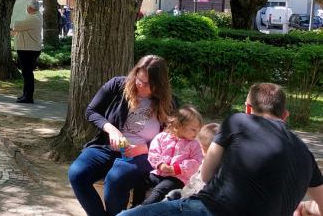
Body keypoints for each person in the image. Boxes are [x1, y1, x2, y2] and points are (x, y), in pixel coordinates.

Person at [120, 82, 323, 216]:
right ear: (285, 116)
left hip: (211, 209)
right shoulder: (306, 155)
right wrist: (305, 207)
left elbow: (207, 175)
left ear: (248, 108)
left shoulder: (239, 121)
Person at [68, 55, 178, 216]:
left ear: (159, 84)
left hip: (143, 154)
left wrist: (144, 148)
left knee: (115, 179)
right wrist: (111, 129)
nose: (140, 85)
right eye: (138, 79)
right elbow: (91, 112)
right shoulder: (118, 85)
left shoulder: (170, 102)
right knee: (77, 174)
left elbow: (174, 136)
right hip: (106, 146)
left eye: (147, 83)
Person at [140, 105, 204, 205]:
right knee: (141, 181)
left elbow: (197, 162)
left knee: (161, 189)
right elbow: (153, 152)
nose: (196, 134)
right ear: (178, 126)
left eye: (198, 130)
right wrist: (160, 165)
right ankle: (135, 204)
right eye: (193, 129)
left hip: (177, 178)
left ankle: (142, 209)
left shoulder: (194, 144)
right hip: (158, 173)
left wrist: (177, 169)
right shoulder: (162, 137)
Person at [163, 122, 220, 201]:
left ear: (202, 148)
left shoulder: (208, 167)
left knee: (170, 194)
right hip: (186, 191)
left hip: (190, 197)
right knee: (173, 193)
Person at [11, 0, 42, 103]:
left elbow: (17, 25)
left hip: (29, 49)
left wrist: (16, 27)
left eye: (27, 8)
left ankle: (28, 96)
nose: (26, 9)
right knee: (26, 73)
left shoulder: (34, 18)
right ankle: (25, 94)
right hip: (28, 48)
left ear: (29, 8)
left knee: (27, 73)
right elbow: (19, 27)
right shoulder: (34, 17)